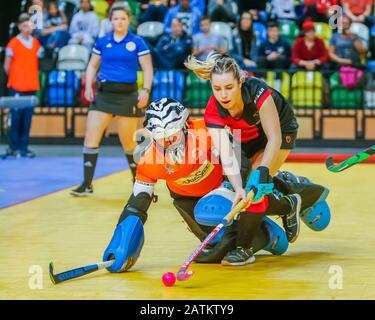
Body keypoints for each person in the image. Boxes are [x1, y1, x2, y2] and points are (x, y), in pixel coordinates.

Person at [102, 98, 296, 272]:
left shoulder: (207, 131)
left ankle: (284, 198)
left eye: (172, 135)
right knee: (216, 250)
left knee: (226, 236)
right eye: (160, 137)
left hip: (224, 188)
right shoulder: (148, 159)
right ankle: (267, 234)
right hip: (188, 202)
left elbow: (239, 160)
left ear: (185, 126)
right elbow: (136, 206)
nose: (167, 142)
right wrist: (122, 246)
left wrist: (229, 190)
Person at [185, 52, 303, 265]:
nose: (223, 95)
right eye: (217, 89)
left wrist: (262, 172)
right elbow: (226, 154)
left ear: (240, 81)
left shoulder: (258, 91)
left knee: (256, 186)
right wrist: (237, 187)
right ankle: (289, 204)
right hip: (246, 136)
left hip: (279, 130)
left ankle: (244, 248)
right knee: (244, 190)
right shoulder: (212, 110)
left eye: (229, 87)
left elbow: (274, 137)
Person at [70, 3, 153, 196]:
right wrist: (89, 85)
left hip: (127, 96)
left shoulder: (137, 41)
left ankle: (138, 183)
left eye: (123, 18)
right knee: (91, 138)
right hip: (104, 95)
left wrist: (146, 90)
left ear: (128, 20)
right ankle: (87, 184)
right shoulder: (102, 41)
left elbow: (148, 68)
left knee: (129, 144)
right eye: (116, 18)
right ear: (110, 20)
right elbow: (92, 66)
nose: (119, 22)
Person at [2, 14, 41, 158]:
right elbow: (7, 66)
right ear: (19, 27)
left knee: (27, 119)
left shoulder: (36, 43)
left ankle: (24, 147)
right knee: (16, 117)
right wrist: (16, 78)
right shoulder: (13, 43)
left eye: (29, 25)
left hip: (31, 86)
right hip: (17, 86)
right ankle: (13, 147)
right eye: (24, 26)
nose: (27, 29)